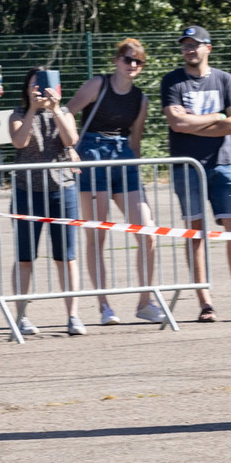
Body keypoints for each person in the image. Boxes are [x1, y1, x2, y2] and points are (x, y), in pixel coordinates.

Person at [161, 25, 231, 323]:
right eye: (185, 45)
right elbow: (177, 124)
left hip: (224, 163)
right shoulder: (173, 81)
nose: (189, 50)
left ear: (208, 47)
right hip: (187, 166)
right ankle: (205, 303)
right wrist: (217, 117)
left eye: (195, 45)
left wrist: (198, 122)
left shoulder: (225, 80)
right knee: (195, 232)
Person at [66, 38, 161, 326]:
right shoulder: (98, 84)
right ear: (116, 60)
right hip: (92, 154)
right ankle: (104, 305)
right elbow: (66, 112)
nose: (132, 65)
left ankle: (145, 302)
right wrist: (70, 149)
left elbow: (136, 139)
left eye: (138, 61)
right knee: (98, 235)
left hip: (124, 158)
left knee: (148, 232)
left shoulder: (141, 99)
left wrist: (138, 177)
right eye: (127, 59)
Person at [9, 66, 83, 336]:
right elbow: (19, 141)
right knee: (25, 257)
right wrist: (32, 109)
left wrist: (55, 109)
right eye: (33, 85)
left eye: (42, 84)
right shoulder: (17, 114)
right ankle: (21, 316)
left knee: (66, 257)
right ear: (27, 89)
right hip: (27, 192)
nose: (38, 89)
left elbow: (71, 139)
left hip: (62, 190)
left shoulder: (63, 113)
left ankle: (73, 315)